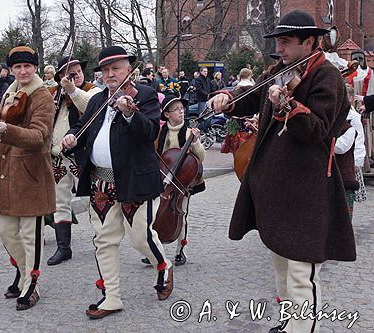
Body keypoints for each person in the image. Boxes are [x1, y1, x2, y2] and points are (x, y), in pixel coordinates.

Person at [208, 10, 356, 333]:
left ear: (310, 42)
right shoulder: (278, 71)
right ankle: (289, 323)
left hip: (308, 192)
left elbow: (318, 130)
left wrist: (287, 106)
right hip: (277, 190)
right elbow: (249, 96)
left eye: (287, 42)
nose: (281, 49)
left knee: (302, 274)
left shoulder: (326, 77)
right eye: (280, 42)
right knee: (281, 266)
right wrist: (227, 98)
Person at [61, 45, 173, 319]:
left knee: (140, 238)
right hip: (101, 183)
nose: (110, 74)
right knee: (104, 240)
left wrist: (128, 113)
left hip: (134, 180)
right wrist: (72, 137)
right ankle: (111, 297)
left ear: (128, 70)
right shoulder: (98, 99)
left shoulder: (144, 96)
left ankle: (164, 265)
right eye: (106, 70)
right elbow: (82, 127)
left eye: (116, 68)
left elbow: (148, 133)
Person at [0, 45, 56, 311]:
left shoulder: (41, 96)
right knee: (7, 232)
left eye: (27, 66)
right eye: (17, 67)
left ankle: (31, 284)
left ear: (35, 68)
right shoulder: (10, 92)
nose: (22, 71)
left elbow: (39, 137)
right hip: (5, 176)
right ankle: (22, 273)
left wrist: (7, 130)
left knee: (29, 236)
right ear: (10, 70)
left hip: (31, 176)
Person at [46, 56, 101, 266]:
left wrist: (72, 90)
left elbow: (91, 107)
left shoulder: (93, 91)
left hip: (81, 158)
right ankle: (63, 247)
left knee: (91, 201)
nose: (76, 75)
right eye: (70, 72)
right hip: (58, 157)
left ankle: (101, 241)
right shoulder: (54, 95)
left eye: (78, 71)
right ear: (61, 76)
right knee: (60, 203)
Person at [142, 94, 205, 266]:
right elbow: (156, 153)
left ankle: (180, 251)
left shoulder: (188, 131)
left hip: (183, 180)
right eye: (176, 109)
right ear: (167, 114)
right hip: (162, 179)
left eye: (182, 109)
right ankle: (154, 251)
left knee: (181, 215)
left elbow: (200, 157)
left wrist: (195, 143)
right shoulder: (161, 132)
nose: (181, 112)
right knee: (155, 215)